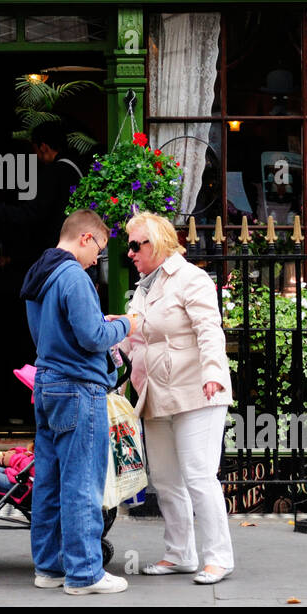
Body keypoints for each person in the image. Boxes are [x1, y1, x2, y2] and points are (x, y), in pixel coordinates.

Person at [19, 208, 137, 594]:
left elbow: (50, 332)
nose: (97, 260)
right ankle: (84, 573)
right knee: (82, 481)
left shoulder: (40, 270)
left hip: (47, 383)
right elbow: (90, 336)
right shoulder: (73, 275)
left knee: (49, 480)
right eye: (99, 250)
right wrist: (124, 324)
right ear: (85, 238)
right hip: (78, 386)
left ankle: (49, 568)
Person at [121, 211, 234, 584]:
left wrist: (214, 373)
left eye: (137, 245)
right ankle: (180, 553)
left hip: (197, 390)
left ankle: (218, 557)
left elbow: (209, 329)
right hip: (156, 394)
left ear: (158, 243)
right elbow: (133, 338)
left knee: (200, 476)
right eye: (129, 246)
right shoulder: (143, 288)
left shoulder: (191, 278)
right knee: (166, 480)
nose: (131, 253)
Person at [0, 121, 83, 267]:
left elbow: (30, 214)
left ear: (43, 147)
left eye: (35, 150)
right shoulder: (76, 169)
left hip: (59, 256)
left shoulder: (54, 172)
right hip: (77, 251)